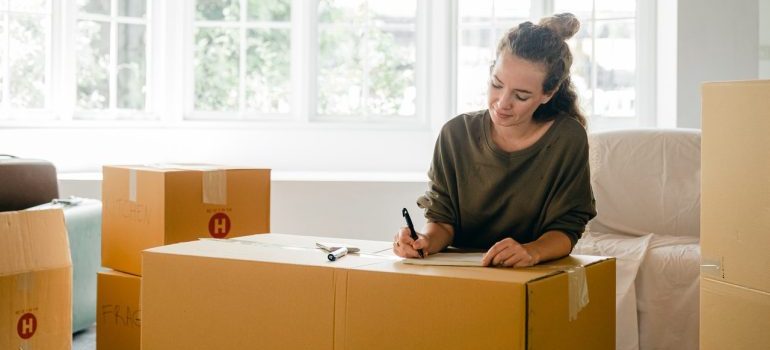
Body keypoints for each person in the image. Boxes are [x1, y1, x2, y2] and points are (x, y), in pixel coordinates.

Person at [393, 13, 596, 268]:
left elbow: (567, 228)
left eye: (521, 96)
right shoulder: (455, 134)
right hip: (460, 273)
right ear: (491, 71)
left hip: (533, 273)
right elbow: (442, 221)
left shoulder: (567, 139)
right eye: (496, 84)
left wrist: (531, 251)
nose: (502, 104)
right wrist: (423, 241)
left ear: (549, 93)